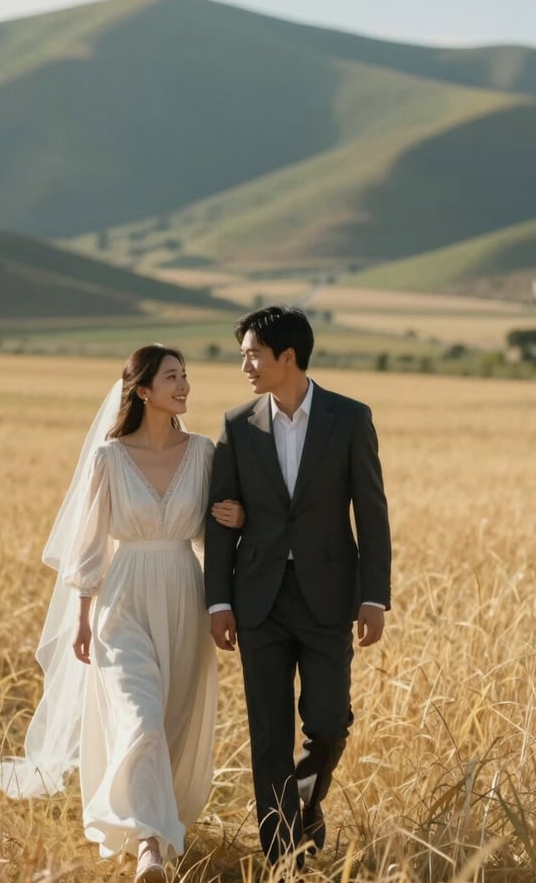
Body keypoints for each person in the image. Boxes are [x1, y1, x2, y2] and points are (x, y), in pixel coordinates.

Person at [0, 345, 243, 883]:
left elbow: (207, 534)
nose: (184, 386)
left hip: (182, 595)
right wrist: (82, 615)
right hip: (121, 600)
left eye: (185, 376)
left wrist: (234, 516)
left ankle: (155, 824)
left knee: (170, 724)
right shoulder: (109, 458)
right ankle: (149, 847)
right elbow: (88, 548)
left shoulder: (203, 452)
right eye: (172, 377)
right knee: (141, 718)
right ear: (144, 390)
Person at [204, 306, 391, 868]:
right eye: (243, 356)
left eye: (253, 354)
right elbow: (219, 517)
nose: (245, 365)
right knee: (268, 733)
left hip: (329, 598)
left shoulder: (349, 417)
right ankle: (284, 859)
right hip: (257, 599)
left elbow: (372, 512)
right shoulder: (238, 425)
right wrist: (218, 599)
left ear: (288, 357)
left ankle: (305, 802)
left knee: (330, 722)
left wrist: (374, 595)